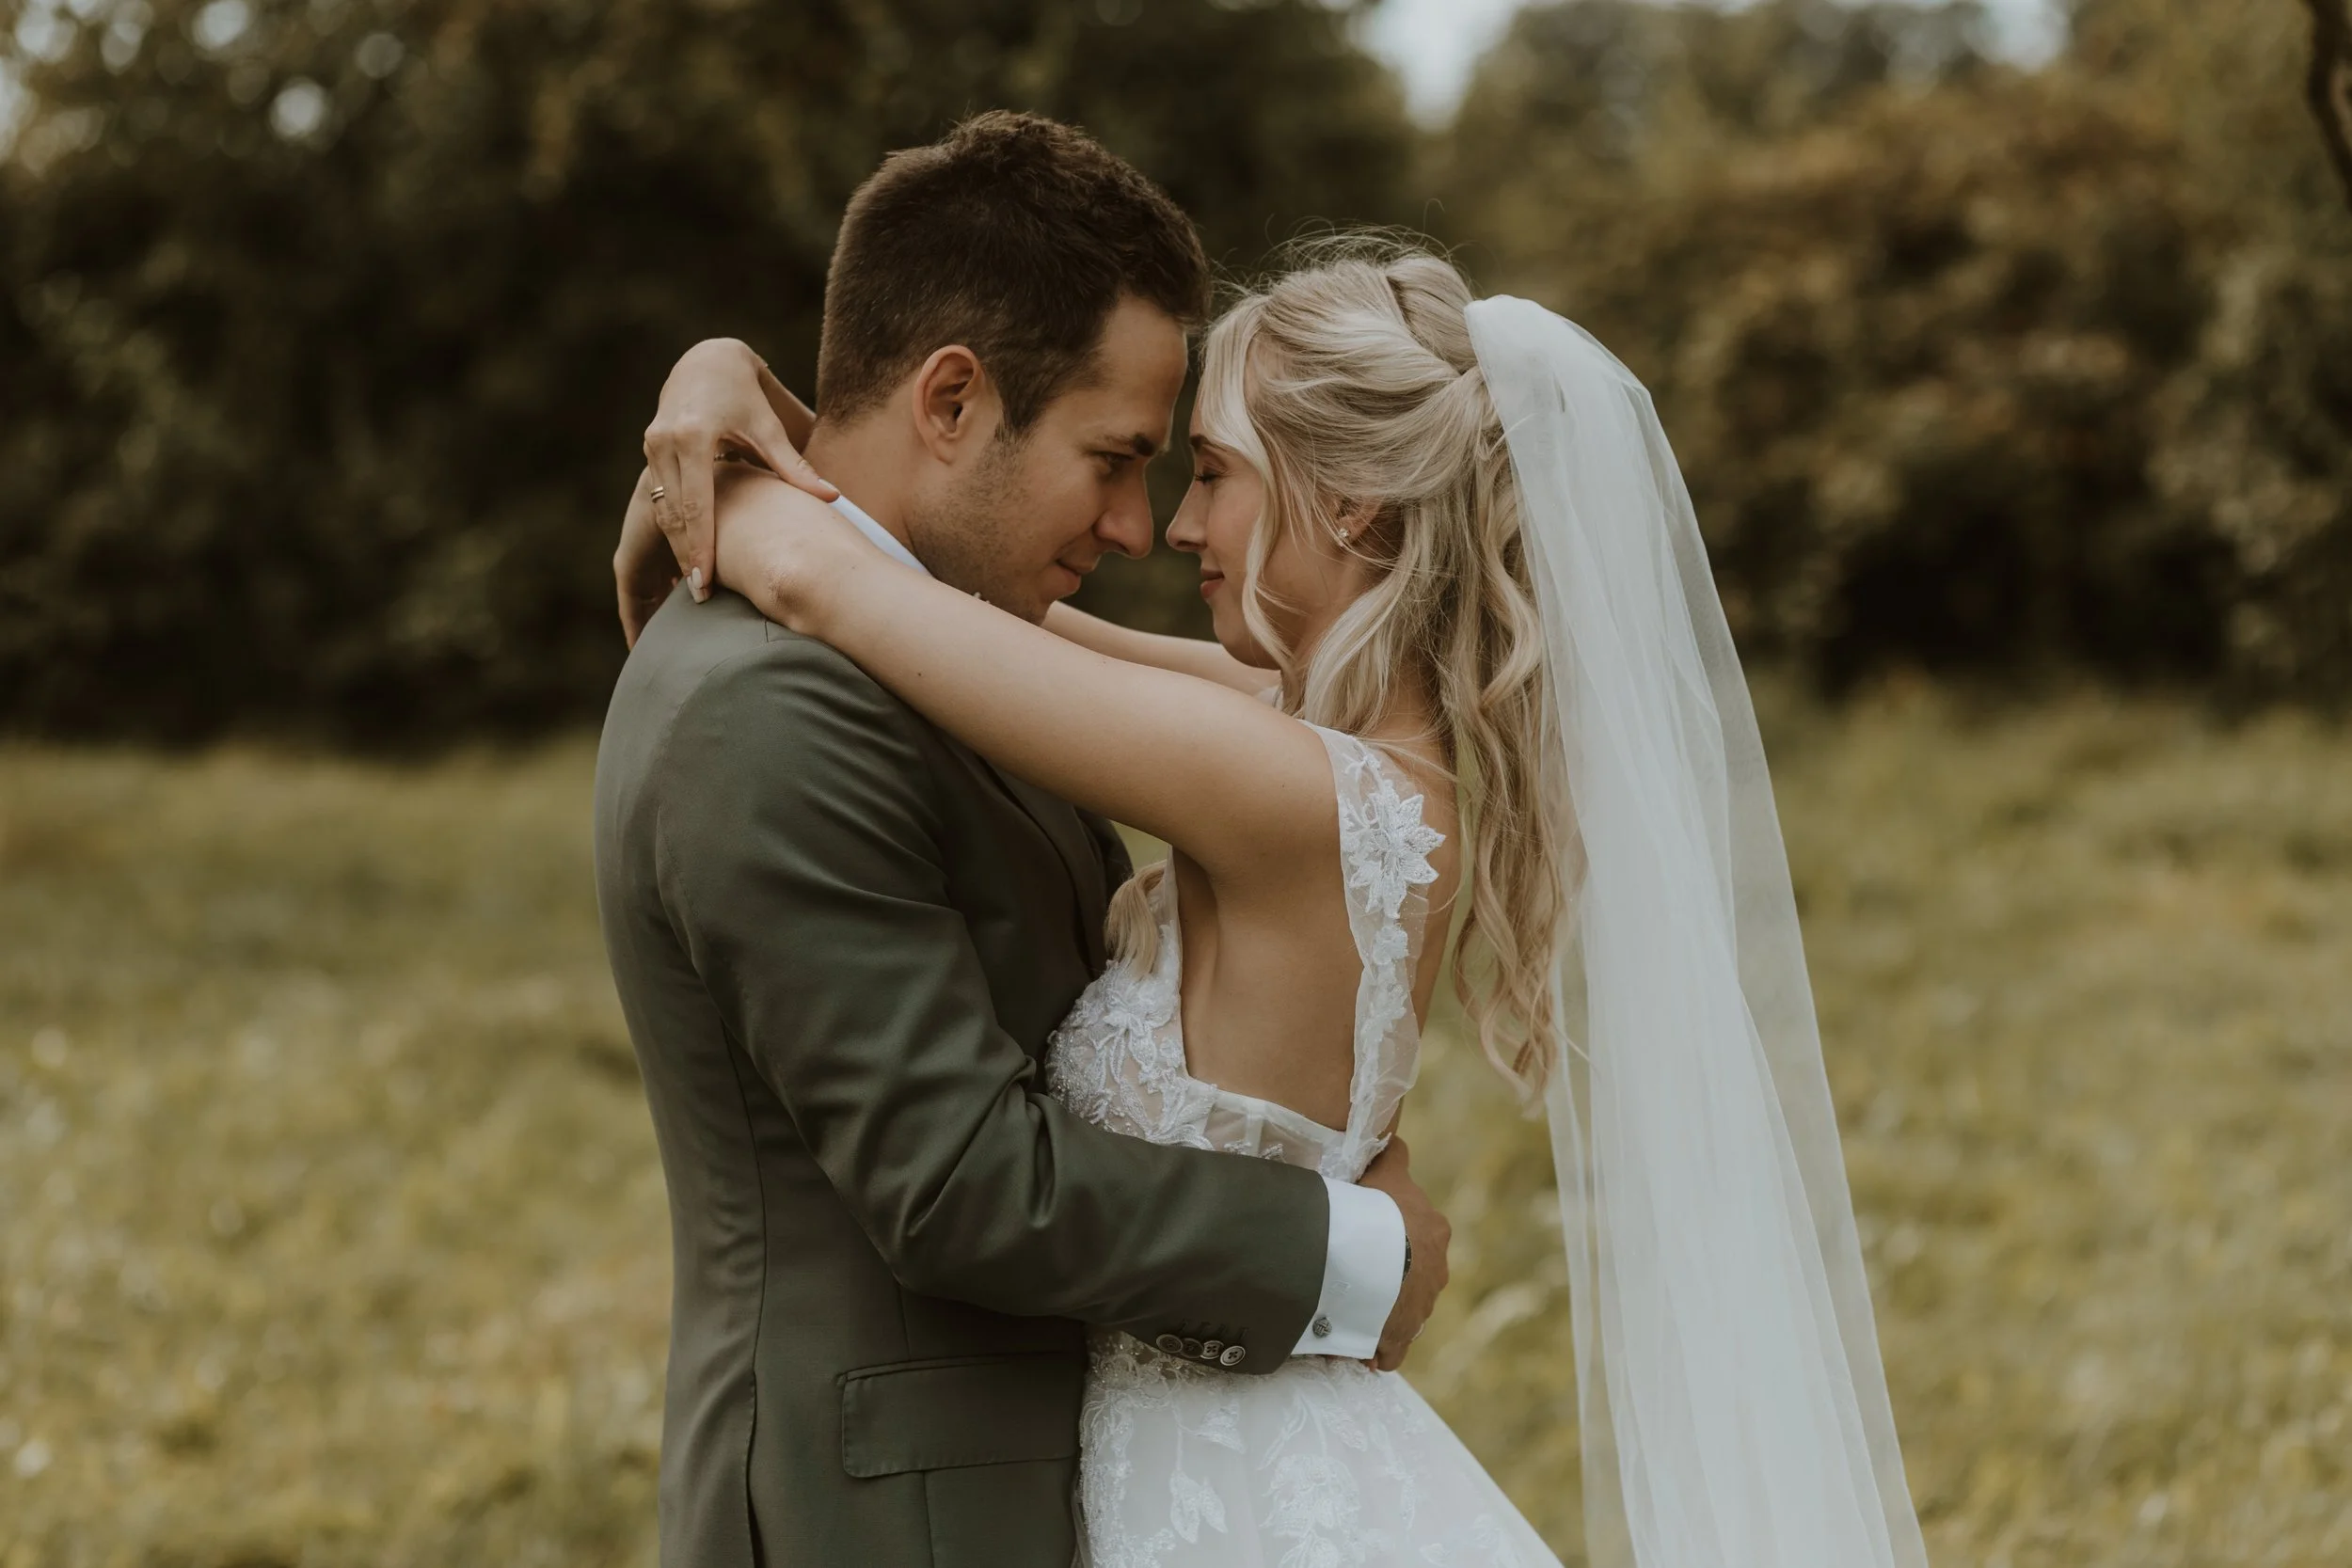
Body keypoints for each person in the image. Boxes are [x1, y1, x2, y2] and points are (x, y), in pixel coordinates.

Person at [642, 230, 1934, 1567]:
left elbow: (834, 582)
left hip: (1224, 1490)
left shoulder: (1282, 786)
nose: (1176, 524)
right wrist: (718, 379)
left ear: (1358, 504)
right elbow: (958, 598)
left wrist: (714, 473)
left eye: (1210, 472)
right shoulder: (1316, 743)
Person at [594, 115, 1451, 1568]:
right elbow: (954, 1183)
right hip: (879, 1519)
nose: (1139, 522)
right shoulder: (769, 708)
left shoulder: (949, 638)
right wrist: (1351, 1251)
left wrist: (728, 409)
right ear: (950, 400)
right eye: (1115, 457)